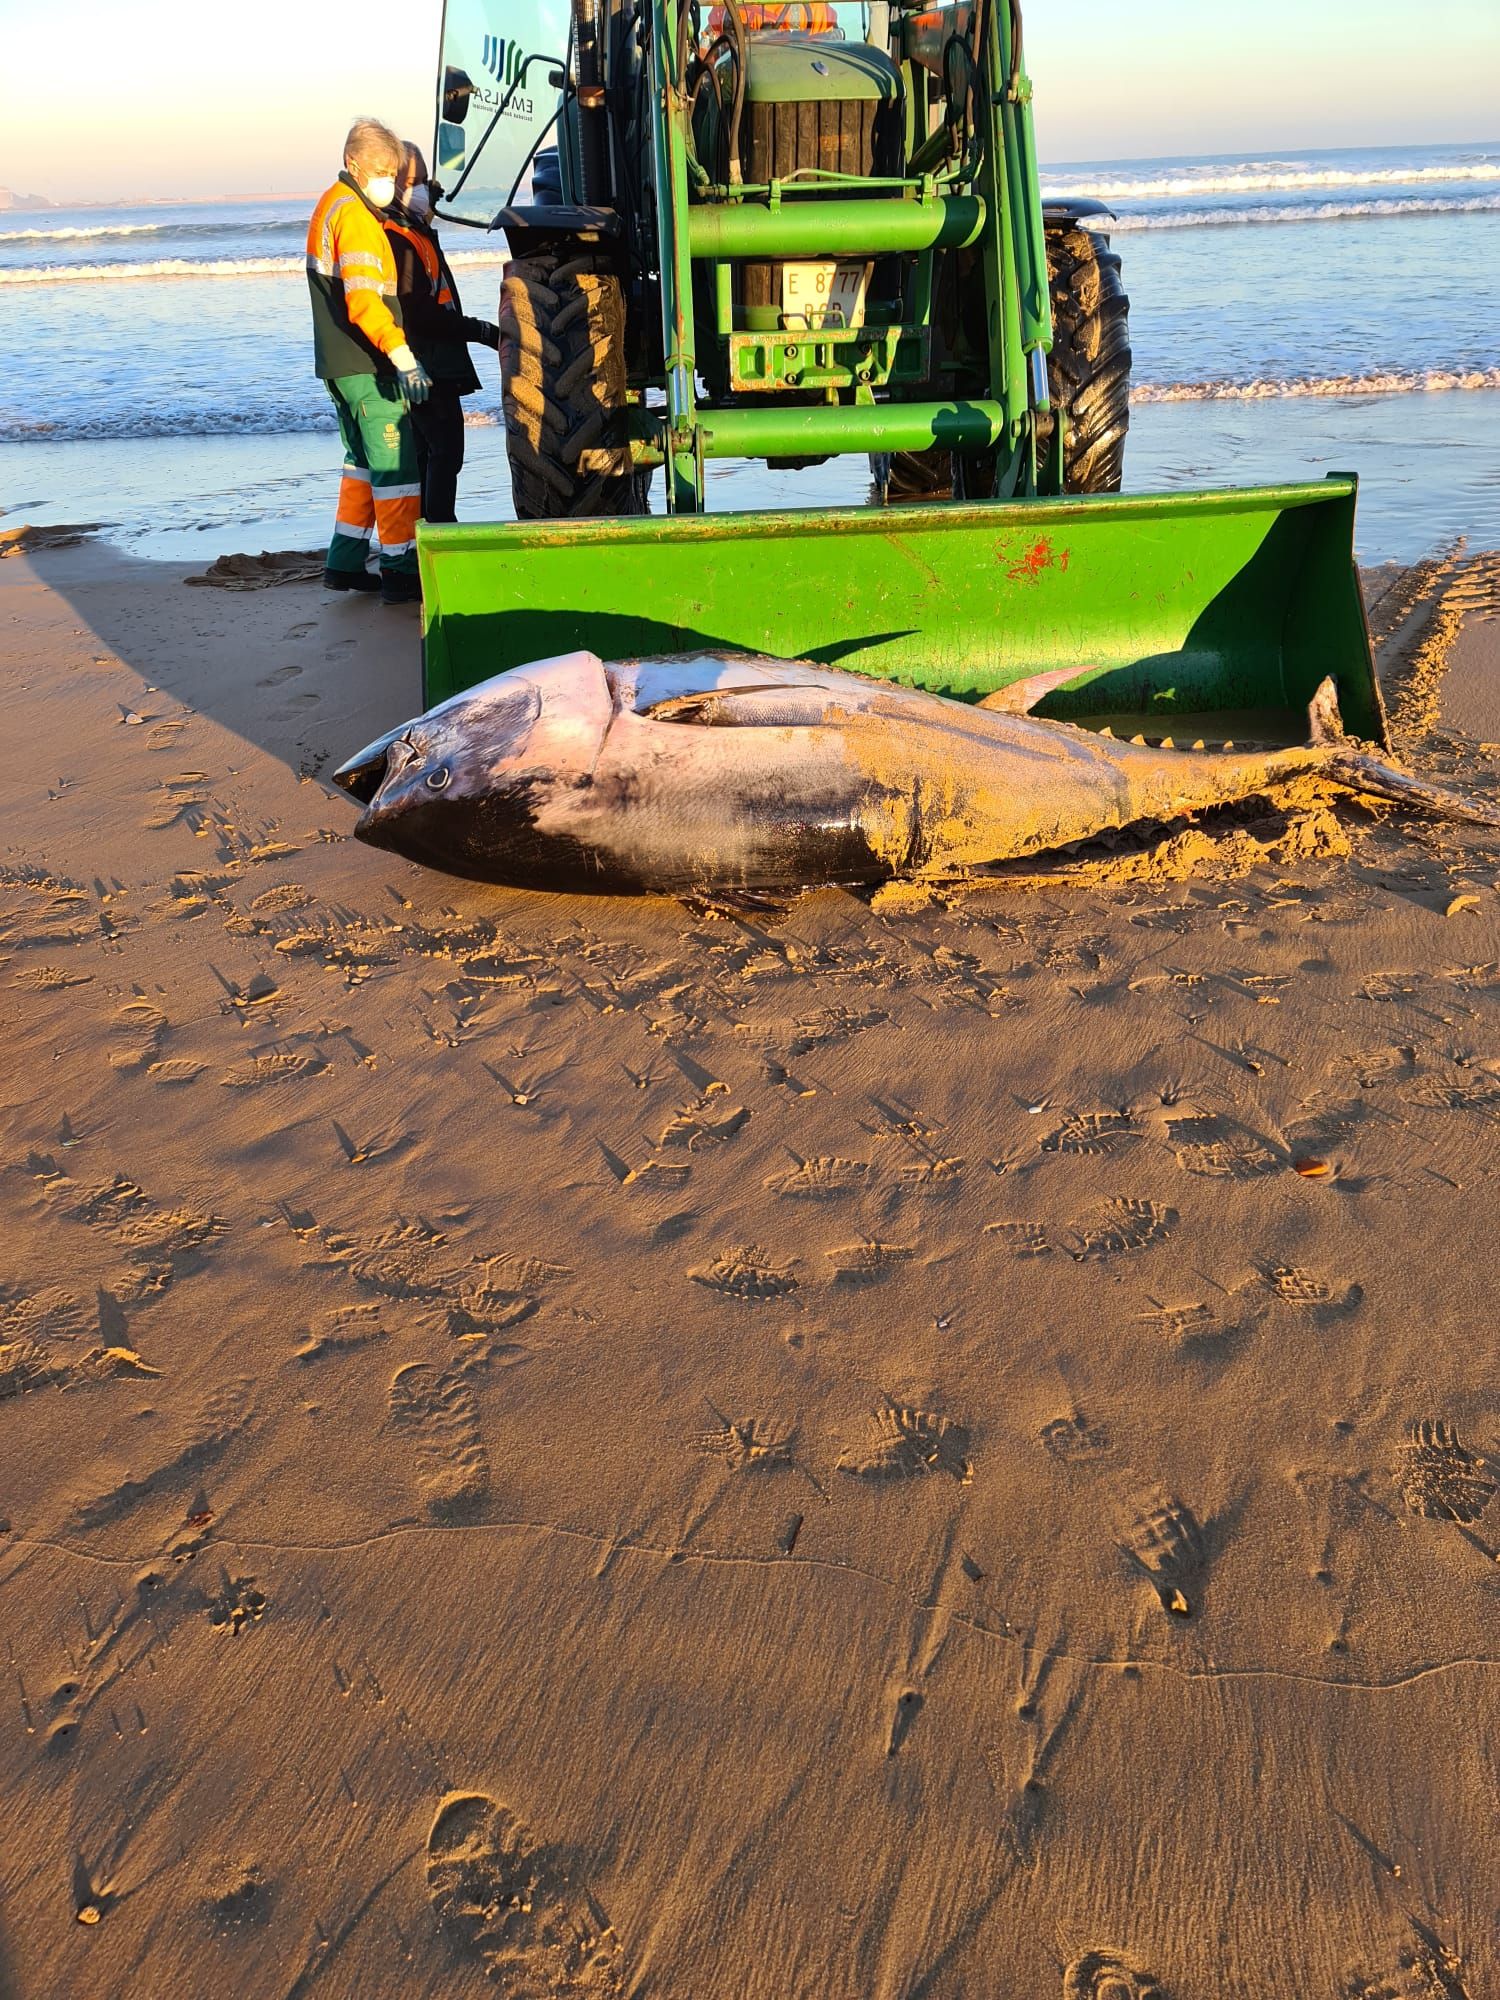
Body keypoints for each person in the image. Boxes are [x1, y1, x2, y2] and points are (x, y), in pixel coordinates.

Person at [305, 117, 430, 604]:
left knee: (360, 464)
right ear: (352, 162)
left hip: (339, 364)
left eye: (395, 174)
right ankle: (400, 570)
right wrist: (404, 357)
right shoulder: (355, 218)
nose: (391, 182)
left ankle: (345, 562)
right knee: (396, 467)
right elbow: (363, 302)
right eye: (383, 171)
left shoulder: (332, 205)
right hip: (366, 364)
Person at [382, 143, 501, 524]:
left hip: (433, 358)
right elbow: (419, 312)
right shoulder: (399, 238)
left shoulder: (416, 232)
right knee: (443, 451)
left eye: (425, 180)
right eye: (415, 181)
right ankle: (438, 529)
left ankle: (421, 532)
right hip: (424, 361)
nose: (424, 189)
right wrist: (480, 331)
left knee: (430, 452)